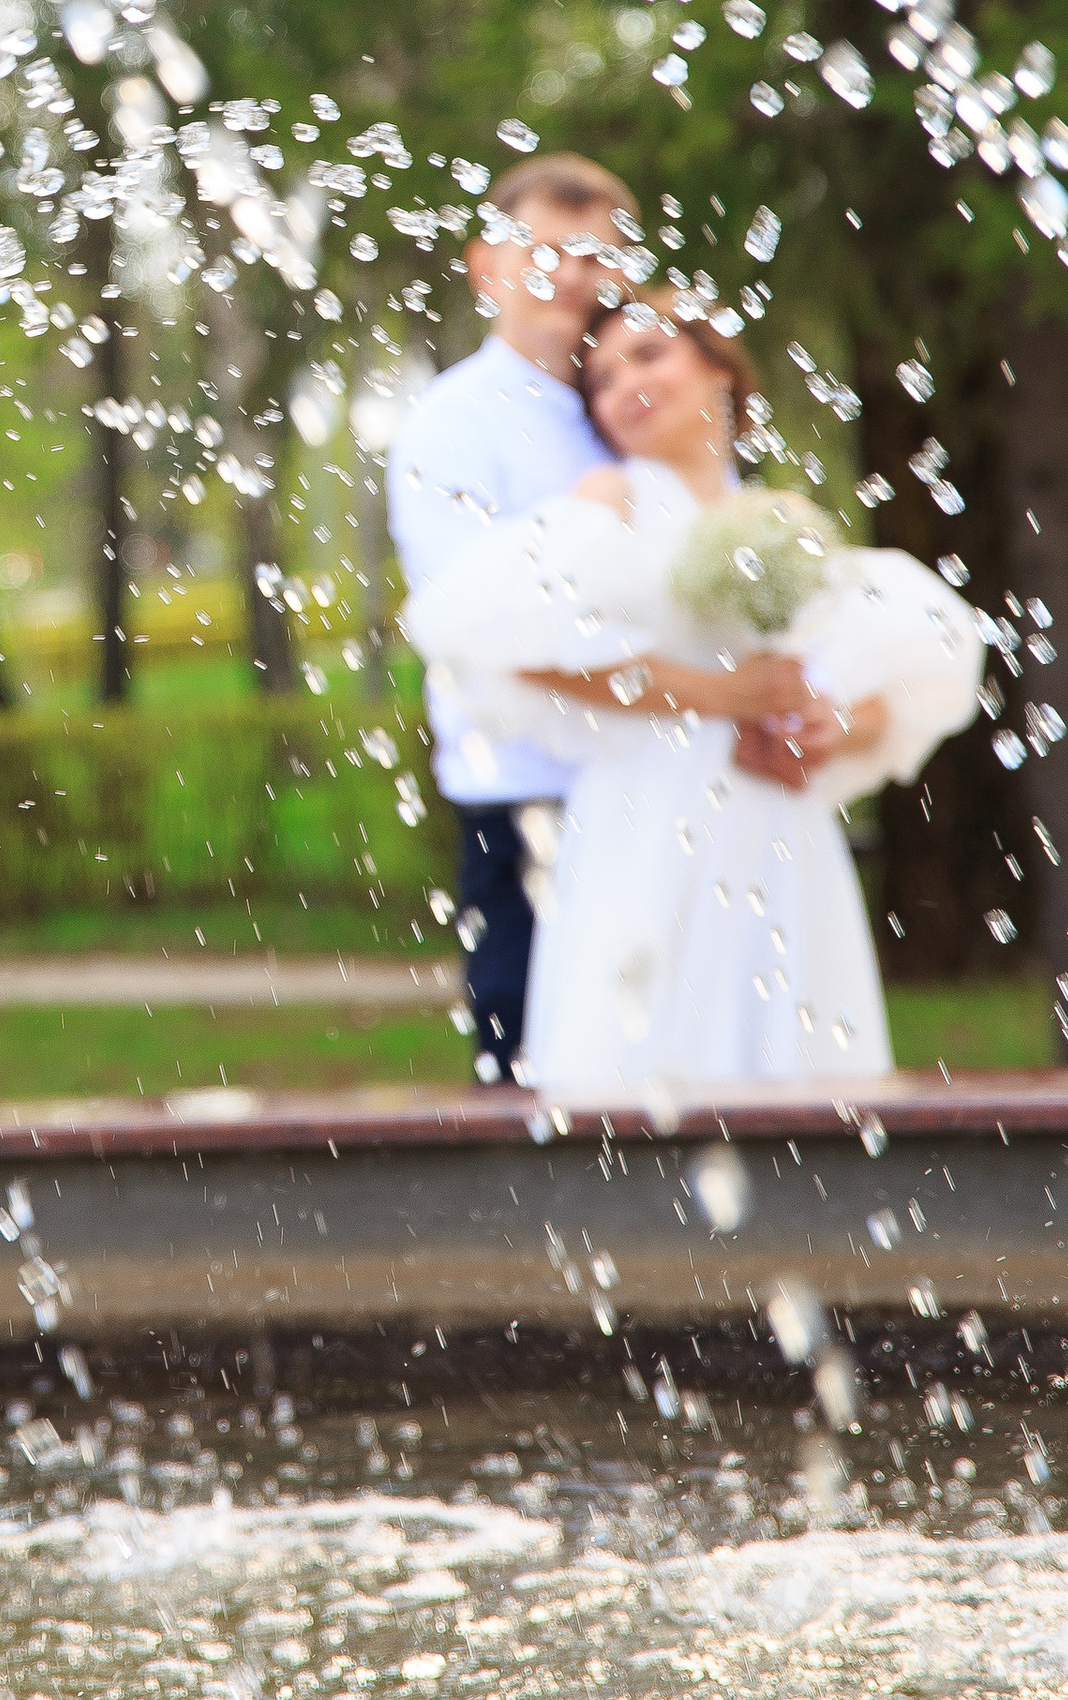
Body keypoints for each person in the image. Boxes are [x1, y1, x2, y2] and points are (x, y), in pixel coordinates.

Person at [411, 287, 983, 1100]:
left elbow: (897, 680)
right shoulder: (611, 502)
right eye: (601, 380)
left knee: (797, 1057)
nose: (624, 387)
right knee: (650, 1055)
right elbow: (516, 650)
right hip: (647, 819)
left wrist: (828, 724)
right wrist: (718, 695)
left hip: (778, 826)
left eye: (648, 355)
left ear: (717, 368)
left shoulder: (782, 519)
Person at [383, 151, 642, 1077]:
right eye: (547, 251)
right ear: (485, 265)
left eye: (594, 255)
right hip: (525, 795)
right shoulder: (451, 425)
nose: (573, 276)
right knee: (533, 1065)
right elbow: (476, 624)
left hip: (649, 788)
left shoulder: (632, 406)